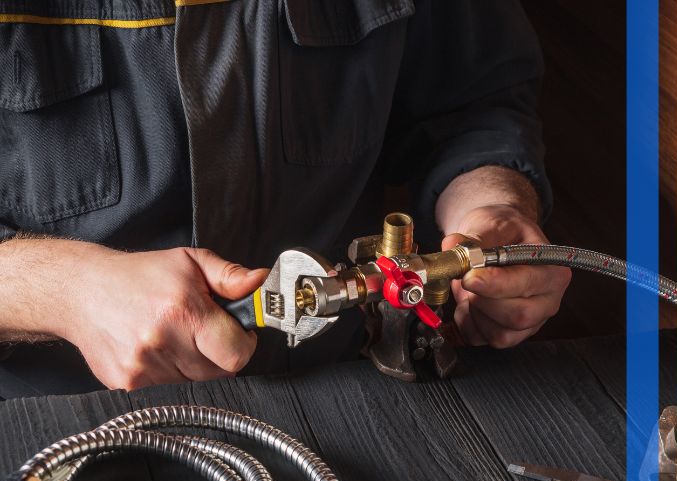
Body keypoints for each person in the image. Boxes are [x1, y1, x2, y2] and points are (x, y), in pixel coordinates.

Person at [0, 0, 571, 397]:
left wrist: (493, 206)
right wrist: (67, 290)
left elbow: (473, 103)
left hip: (348, 382)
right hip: (58, 413)